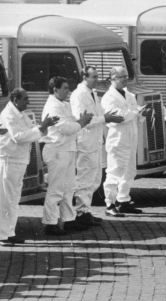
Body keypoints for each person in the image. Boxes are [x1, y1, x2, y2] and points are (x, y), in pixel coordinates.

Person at [0, 89, 58, 245]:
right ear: (15, 99)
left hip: (19, 161)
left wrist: (43, 127)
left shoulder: (21, 114)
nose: (28, 102)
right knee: (7, 199)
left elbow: (30, 132)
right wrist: (41, 128)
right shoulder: (9, 115)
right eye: (25, 99)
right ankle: (3, 234)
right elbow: (18, 137)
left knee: (14, 198)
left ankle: (9, 232)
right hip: (9, 161)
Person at [70, 66, 123, 226]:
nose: (96, 79)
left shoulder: (92, 93)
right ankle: (80, 212)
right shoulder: (79, 95)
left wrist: (104, 122)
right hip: (85, 142)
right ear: (84, 77)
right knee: (85, 178)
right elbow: (83, 120)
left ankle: (86, 210)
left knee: (95, 178)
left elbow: (99, 115)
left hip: (95, 141)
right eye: (93, 77)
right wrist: (104, 118)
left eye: (97, 76)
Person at [41, 77, 93, 236]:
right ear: (55, 89)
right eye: (64, 88)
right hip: (57, 150)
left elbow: (71, 124)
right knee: (56, 189)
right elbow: (65, 128)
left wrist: (79, 122)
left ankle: (68, 219)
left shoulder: (64, 104)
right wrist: (81, 123)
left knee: (69, 188)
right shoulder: (53, 106)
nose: (68, 91)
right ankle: (50, 223)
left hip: (67, 149)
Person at [101, 66, 148, 217]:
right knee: (115, 172)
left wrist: (142, 114)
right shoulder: (108, 98)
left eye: (126, 76)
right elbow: (118, 117)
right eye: (121, 77)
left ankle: (124, 200)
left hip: (131, 138)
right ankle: (110, 203)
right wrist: (136, 112)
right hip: (118, 140)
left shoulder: (129, 95)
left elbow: (134, 114)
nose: (125, 79)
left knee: (129, 171)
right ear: (113, 78)